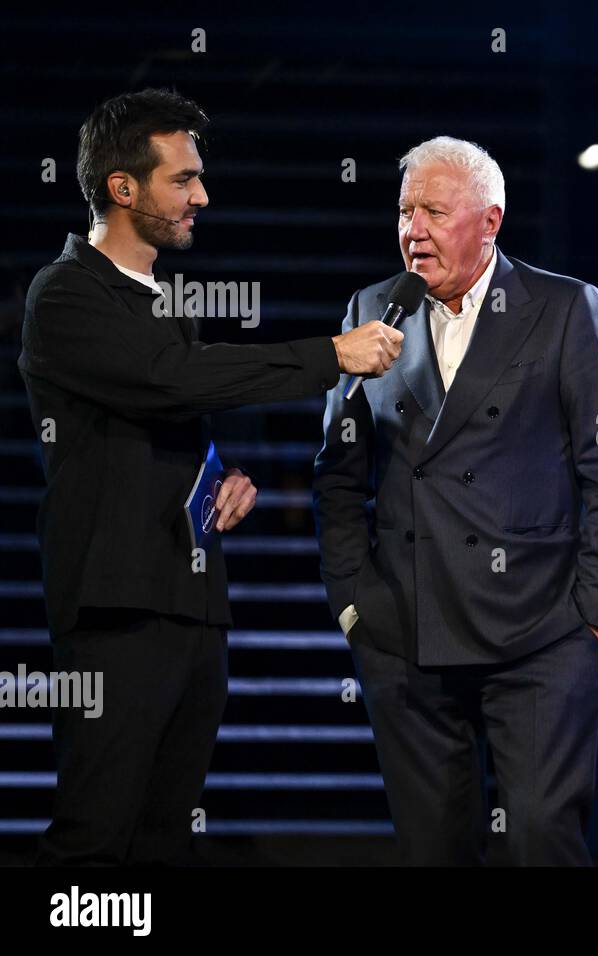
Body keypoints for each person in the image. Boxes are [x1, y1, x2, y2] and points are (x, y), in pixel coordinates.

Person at [19, 88, 403, 865]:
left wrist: (222, 474)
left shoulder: (162, 302)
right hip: (116, 609)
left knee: (163, 838)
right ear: (122, 189)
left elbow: (157, 411)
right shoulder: (63, 293)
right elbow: (169, 379)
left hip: (192, 604)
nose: (203, 195)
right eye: (183, 179)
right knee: (94, 835)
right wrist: (332, 353)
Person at [313, 136, 598, 865]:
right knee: (434, 850)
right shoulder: (371, 308)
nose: (413, 229)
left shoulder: (565, 308)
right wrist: (353, 603)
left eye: (434, 210)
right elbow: (336, 473)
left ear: (490, 222)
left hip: (541, 635)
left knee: (538, 842)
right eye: (405, 211)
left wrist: (592, 614)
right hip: (406, 633)